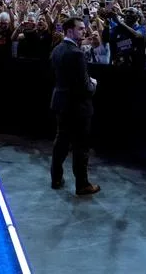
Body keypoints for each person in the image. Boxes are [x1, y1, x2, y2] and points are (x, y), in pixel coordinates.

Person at [50, 17, 100, 196]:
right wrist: (93, 84)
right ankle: (82, 184)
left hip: (61, 103)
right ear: (69, 31)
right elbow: (84, 86)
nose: (84, 31)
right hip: (77, 107)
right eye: (80, 29)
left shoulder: (57, 49)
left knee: (61, 142)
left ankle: (56, 178)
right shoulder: (76, 53)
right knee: (80, 146)